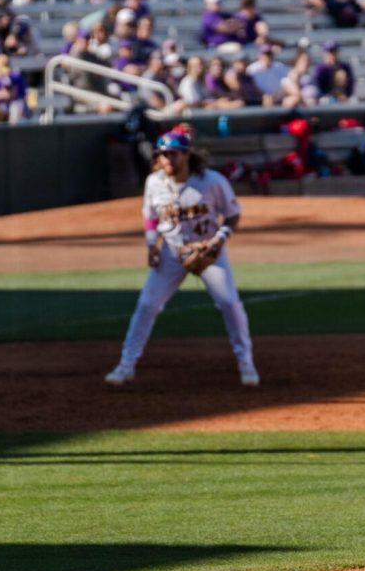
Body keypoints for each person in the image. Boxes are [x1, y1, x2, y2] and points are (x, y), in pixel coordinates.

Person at [105, 128, 258, 387]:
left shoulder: (212, 181)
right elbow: (151, 216)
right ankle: (125, 366)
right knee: (147, 305)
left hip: (209, 252)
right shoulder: (154, 182)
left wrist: (218, 240)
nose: (167, 160)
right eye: (162, 155)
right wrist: (152, 245)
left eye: (173, 154)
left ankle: (246, 364)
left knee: (229, 304)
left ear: (186, 155)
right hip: (171, 253)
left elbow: (232, 214)